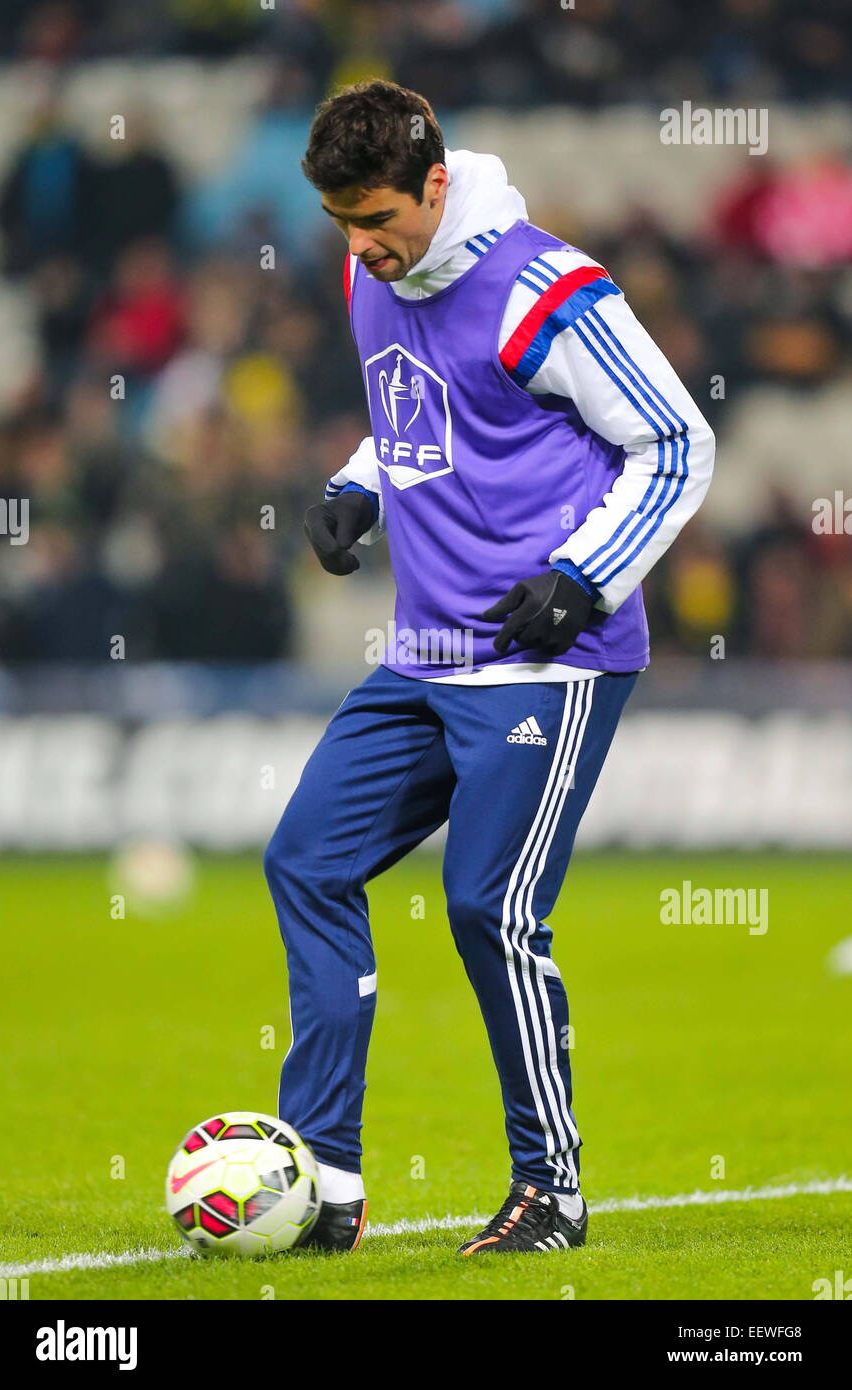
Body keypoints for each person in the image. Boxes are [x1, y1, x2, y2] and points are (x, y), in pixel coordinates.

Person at [264, 80, 715, 1256]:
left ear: (434, 183)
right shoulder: (372, 272)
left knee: (488, 908)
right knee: (307, 859)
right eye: (339, 224)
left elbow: (672, 441)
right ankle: (327, 1179)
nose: (359, 247)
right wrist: (356, 488)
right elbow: (429, 409)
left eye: (375, 218)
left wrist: (583, 574)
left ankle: (550, 1191)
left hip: (542, 658)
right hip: (421, 652)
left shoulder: (545, 289)